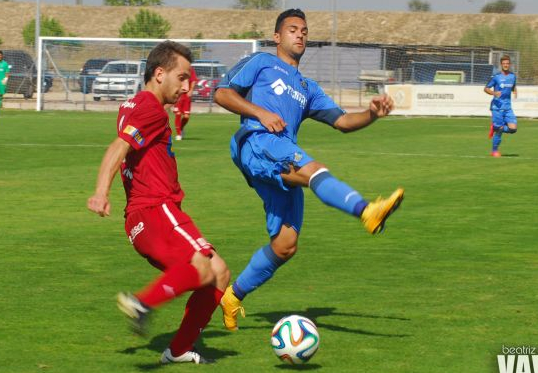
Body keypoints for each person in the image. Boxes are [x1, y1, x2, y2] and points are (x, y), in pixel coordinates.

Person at [213, 8, 404, 331]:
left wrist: (371, 114)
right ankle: (365, 210)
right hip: (257, 143)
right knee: (314, 170)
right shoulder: (261, 63)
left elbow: (342, 121)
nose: (300, 34)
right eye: (292, 29)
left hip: (280, 152)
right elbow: (222, 92)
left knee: (285, 245)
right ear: (277, 37)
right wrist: (260, 113)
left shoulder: (307, 87)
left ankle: (233, 296)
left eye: (303, 30)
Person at [87, 41, 230, 365]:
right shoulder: (150, 108)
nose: (186, 86)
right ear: (159, 73)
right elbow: (118, 148)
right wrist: (100, 192)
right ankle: (142, 303)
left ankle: (178, 350)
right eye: (181, 78)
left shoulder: (133, 104)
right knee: (205, 268)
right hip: (156, 210)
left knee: (219, 272)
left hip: (144, 218)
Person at [485, 55, 518, 157]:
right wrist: (494, 93)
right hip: (497, 107)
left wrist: (515, 91)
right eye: (504, 64)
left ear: (509, 64)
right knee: (499, 131)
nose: (505, 65)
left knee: (513, 129)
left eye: (507, 64)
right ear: (501, 65)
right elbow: (486, 88)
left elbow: (513, 86)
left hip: (508, 107)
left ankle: (495, 127)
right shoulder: (496, 77)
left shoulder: (512, 76)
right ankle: (494, 151)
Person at [171, 66, 198, 140]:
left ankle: (181, 128)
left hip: (186, 95)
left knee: (186, 116)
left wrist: (191, 90)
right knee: (178, 114)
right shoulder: (175, 68)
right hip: (179, 94)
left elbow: (193, 80)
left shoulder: (190, 69)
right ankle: (178, 134)